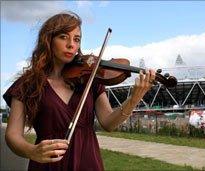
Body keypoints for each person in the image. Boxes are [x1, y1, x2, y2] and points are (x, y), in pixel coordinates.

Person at [3, 11, 155, 171]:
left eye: (76, 39)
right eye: (63, 37)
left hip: (88, 161)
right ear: (48, 40)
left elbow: (109, 123)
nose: (71, 44)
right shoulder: (27, 84)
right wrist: (32, 151)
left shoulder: (91, 79)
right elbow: (12, 135)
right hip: (48, 165)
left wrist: (134, 99)